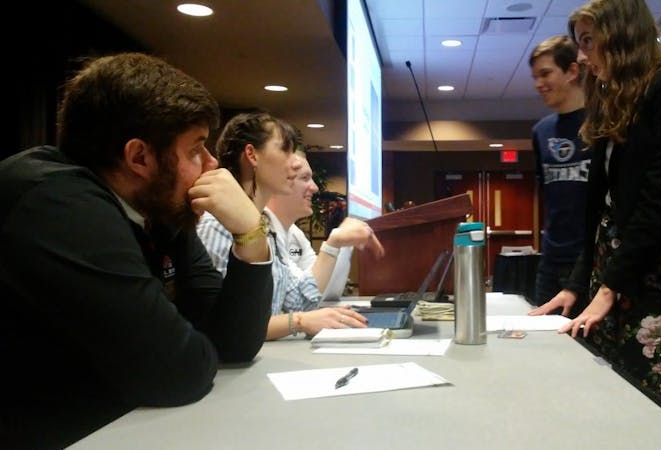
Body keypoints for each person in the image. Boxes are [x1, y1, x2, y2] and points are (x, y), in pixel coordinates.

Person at [0, 53, 273, 449]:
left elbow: (233, 345)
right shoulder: (56, 203)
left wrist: (251, 233)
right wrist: (190, 341)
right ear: (139, 157)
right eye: (197, 149)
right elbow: (177, 372)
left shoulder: (157, 211)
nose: (213, 164)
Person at [531, 0, 661, 400]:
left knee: (638, 388)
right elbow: (602, 212)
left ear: (622, 35)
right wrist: (579, 283)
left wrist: (610, 287)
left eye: (590, 41)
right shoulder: (615, 100)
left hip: (649, 267)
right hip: (609, 263)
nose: (582, 55)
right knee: (601, 380)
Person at [197, 113, 380, 340]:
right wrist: (298, 321)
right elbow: (227, 326)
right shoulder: (217, 224)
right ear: (252, 155)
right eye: (285, 150)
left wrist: (334, 243)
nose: (295, 162)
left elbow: (299, 301)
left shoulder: (268, 226)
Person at [527, 35, 591, 314]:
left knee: (590, 353)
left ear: (572, 71)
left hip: (591, 262)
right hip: (551, 261)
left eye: (545, 73)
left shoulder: (603, 124)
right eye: (535, 76)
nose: (538, 84)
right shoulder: (541, 131)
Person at [265, 152, 384, 301]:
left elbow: (322, 291)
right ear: (276, 182)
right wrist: (335, 242)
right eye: (304, 178)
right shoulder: (259, 231)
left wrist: (343, 242)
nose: (315, 188)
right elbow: (306, 299)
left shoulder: (294, 233)